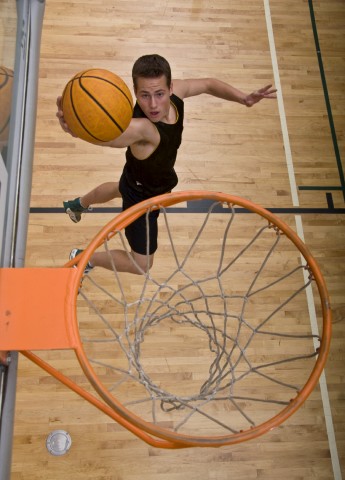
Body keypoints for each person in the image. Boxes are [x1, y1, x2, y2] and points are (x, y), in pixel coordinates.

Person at [57, 54, 276, 275]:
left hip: (141, 176)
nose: (153, 104)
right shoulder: (141, 129)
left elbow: (209, 84)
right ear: (135, 92)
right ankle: (84, 258)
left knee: (119, 187)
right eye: (144, 95)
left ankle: (77, 204)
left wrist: (244, 99)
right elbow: (104, 137)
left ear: (171, 88)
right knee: (142, 265)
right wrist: (75, 129)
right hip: (141, 199)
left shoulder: (177, 96)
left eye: (159, 94)